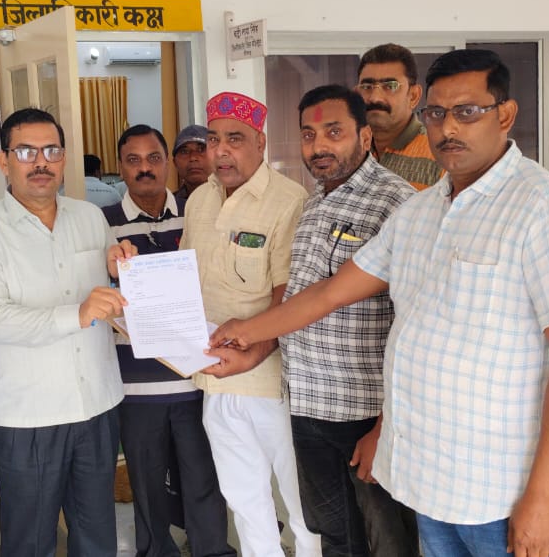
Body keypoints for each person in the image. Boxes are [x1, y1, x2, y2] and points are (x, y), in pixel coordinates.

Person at [210, 49, 549, 557]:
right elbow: (331, 292)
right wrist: (245, 330)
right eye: (436, 113)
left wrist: (543, 498)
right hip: (427, 477)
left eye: (467, 111)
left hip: (498, 488)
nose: (448, 128)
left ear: (505, 115)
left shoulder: (543, 205)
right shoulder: (420, 211)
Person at [0, 108, 135, 557]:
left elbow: (108, 298)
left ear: (64, 158)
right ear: (4, 161)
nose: (40, 162)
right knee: (29, 543)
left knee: (97, 540)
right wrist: (78, 313)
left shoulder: (89, 217)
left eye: (51, 150)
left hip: (96, 407)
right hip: (27, 418)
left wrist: (120, 274)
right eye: (26, 151)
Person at [182, 91, 321, 557]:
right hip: (215, 379)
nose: (220, 151)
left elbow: (289, 295)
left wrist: (254, 352)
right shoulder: (199, 200)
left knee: (302, 506)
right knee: (244, 501)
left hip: (274, 385)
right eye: (213, 140)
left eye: (235, 139)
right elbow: (187, 281)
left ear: (260, 143)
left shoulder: (288, 201)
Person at [285, 84, 418, 557]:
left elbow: (413, 326)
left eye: (333, 132)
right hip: (308, 407)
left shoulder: (398, 204)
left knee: (388, 543)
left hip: (364, 416)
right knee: (335, 537)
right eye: (308, 134)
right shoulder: (312, 203)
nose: (318, 145)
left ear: (364, 137)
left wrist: (384, 427)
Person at [104, 124, 235, 557]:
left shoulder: (198, 213)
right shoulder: (103, 224)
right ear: (120, 166)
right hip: (136, 387)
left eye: (153, 158)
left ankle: (212, 550)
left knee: (204, 479)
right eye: (133, 160)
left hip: (196, 380)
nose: (145, 168)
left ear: (167, 162)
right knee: (147, 487)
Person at [357, 43, 442, 189]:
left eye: (390, 86)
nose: (375, 97)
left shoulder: (439, 155)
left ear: (413, 96)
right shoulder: (351, 151)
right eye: (367, 87)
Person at [173, 124, 212, 204]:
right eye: (184, 152)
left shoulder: (233, 201)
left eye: (201, 149)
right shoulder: (169, 206)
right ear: (175, 163)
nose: (193, 158)